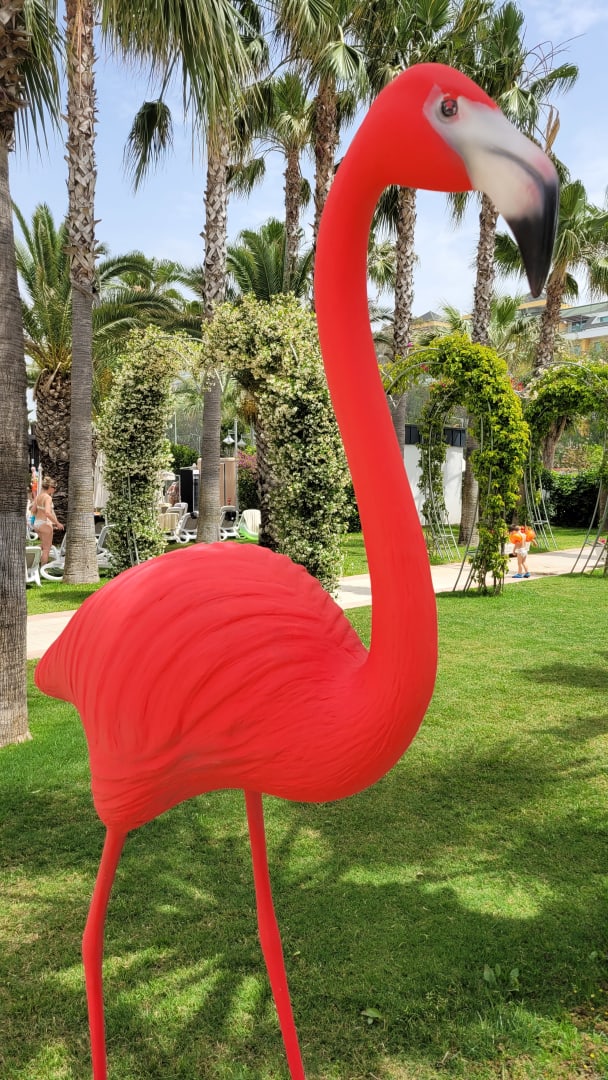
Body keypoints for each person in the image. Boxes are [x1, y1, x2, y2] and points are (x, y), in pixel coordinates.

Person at [31, 476, 64, 565]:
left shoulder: (38, 497)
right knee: (46, 549)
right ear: (49, 487)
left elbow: (33, 510)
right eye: (54, 488)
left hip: (37, 524)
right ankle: (43, 568)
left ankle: (30, 555)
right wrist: (57, 523)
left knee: (43, 545)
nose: (55, 490)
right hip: (44, 524)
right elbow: (47, 513)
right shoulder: (48, 498)